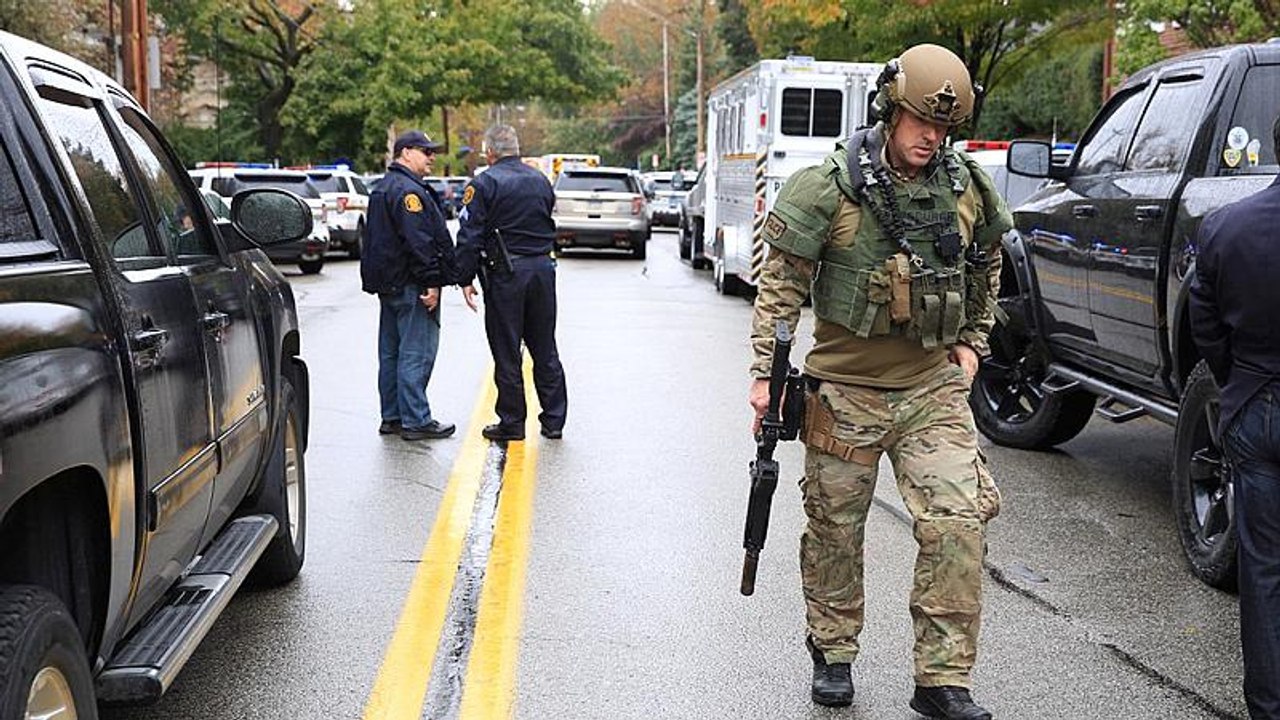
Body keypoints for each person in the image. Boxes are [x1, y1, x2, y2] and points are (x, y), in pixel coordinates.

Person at [748, 44, 1011, 719]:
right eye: (920, 121)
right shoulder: (827, 186)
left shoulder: (966, 187)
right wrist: (764, 380)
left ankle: (942, 679)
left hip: (931, 391)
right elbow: (779, 291)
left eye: (942, 127)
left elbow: (988, 266)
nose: (932, 136)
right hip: (845, 393)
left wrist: (973, 343)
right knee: (835, 528)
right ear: (889, 111)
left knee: (957, 523)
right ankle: (833, 654)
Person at [1189, 115, 1280, 720]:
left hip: (1255, 405)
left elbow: (1204, 321)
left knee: (1264, 568)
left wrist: (1237, 381)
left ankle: (1268, 707)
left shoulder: (1225, 226)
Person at [455, 124, 567, 442]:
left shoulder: (485, 183)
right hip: (543, 270)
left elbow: (470, 235)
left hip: (507, 274)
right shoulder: (540, 180)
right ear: (516, 149)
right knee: (545, 346)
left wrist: (463, 276)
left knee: (507, 350)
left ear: (490, 152)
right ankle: (554, 419)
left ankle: (512, 421)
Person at [361, 129, 457, 441]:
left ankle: (393, 416)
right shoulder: (409, 192)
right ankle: (417, 419)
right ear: (405, 153)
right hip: (411, 284)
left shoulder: (384, 187)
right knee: (416, 352)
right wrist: (431, 282)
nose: (432, 157)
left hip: (388, 284)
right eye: (425, 151)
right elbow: (420, 242)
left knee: (391, 353)